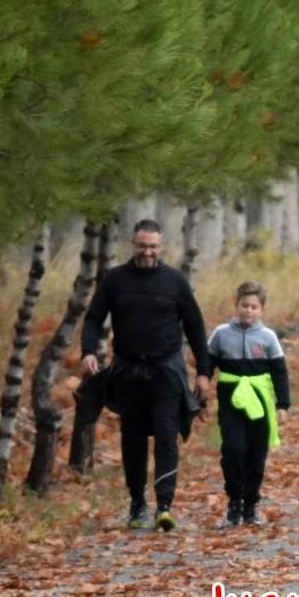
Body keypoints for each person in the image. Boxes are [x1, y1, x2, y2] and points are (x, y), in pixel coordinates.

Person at [78, 220, 209, 532]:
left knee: (167, 436)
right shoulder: (115, 280)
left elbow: (195, 327)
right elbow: (94, 317)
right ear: (132, 245)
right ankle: (137, 503)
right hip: (128, 371)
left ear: (161, 247)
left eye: (153, 246)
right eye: (142, 246)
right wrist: (88, 351)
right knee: (132, 440)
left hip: (166, 370)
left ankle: (164, 505)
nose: (147, 252)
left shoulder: (175, 281)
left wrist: (203, 373)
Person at [203, 281, 290, 526]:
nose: (248, 311)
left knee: (256, 452)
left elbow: (279, 372)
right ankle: (234, 500)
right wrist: (199, 396)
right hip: (231, 398)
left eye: (253, 307)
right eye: (244, 305)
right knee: (233, 448)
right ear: (236, 304)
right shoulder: (221, 334)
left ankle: (251, 503)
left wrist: (282, 405)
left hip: (259, 399)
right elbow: (208, 366)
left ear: (261, 309)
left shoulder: (268, 337)